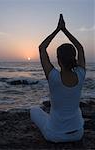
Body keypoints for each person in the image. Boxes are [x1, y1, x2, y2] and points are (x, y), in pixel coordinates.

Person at [30, 14, 86, 142]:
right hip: (78, 133)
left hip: (55, 135)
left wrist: (58, 29)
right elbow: (80, 48)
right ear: (74, 58)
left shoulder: (53, 76)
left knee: (34, 110)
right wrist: (65, 30)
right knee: (76, 111)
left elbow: (42, 48)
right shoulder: (81, 74)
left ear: (59, 60)